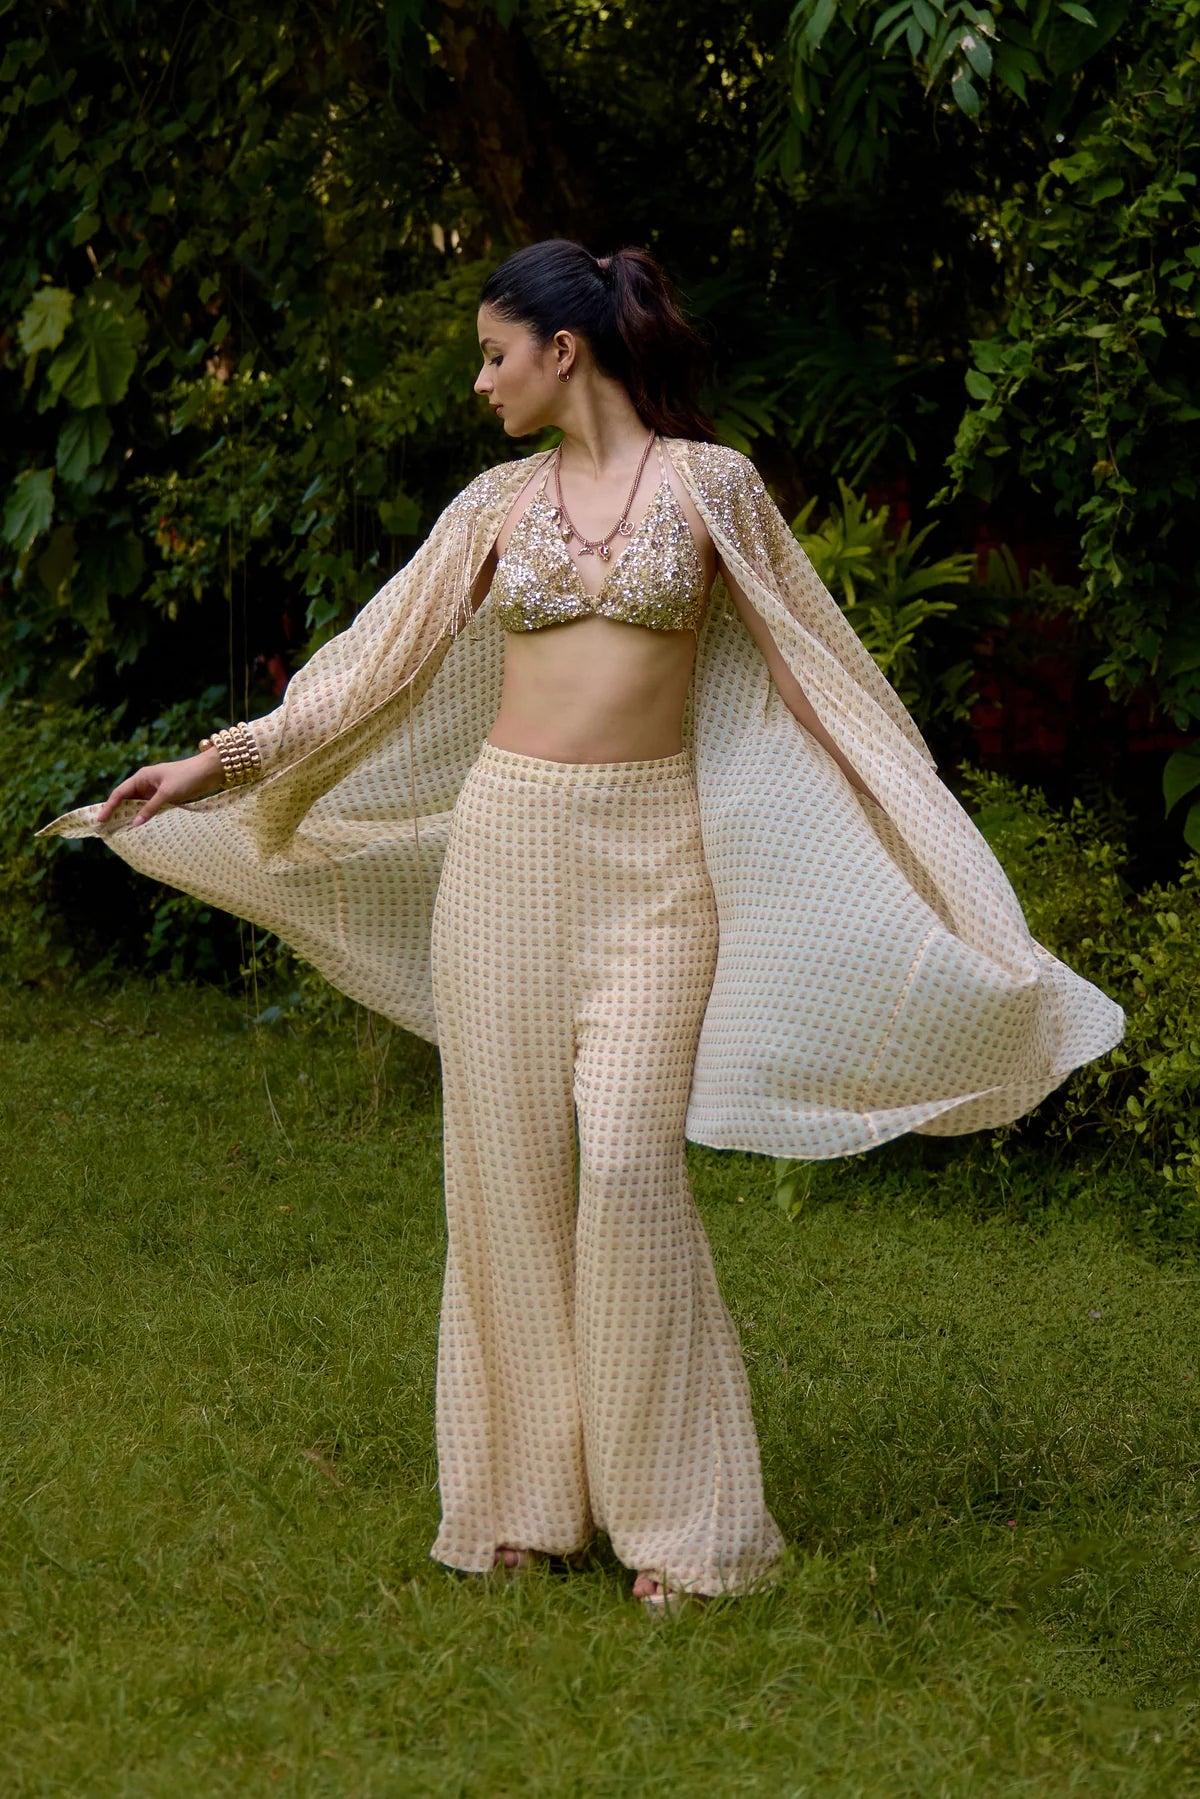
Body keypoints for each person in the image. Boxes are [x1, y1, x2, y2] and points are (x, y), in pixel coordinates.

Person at [47, 239, 1124, 1613]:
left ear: (566, 351)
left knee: (625, 1168)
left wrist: (903, 824)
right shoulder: (494, 506)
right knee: (502, 1176)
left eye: (495, 354)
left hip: (655, 868)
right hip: (503, 858)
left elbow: (815, 670)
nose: (482, 381)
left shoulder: (715, 487)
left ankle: (680, 1527)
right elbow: (372, 667)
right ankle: (520, 1507)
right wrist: (218, 764)